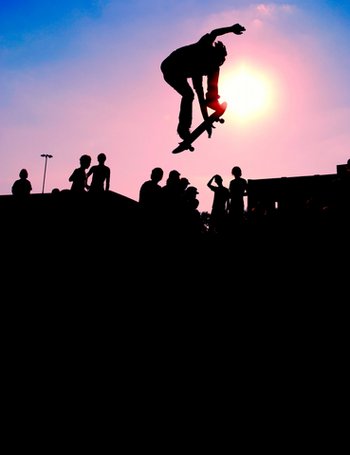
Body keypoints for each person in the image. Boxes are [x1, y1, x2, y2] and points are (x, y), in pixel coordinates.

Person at [161, 23, 246, 141]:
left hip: (179, 68)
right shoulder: (203, 48)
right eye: (216, 61)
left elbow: (201, 99)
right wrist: (231, 28)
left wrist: (206, 121)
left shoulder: (205, 66)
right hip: (170, 68)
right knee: (188, 95)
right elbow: (215, 32)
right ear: (213, 55)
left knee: (213, 70)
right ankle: (183, 130)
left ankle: (212, 99)